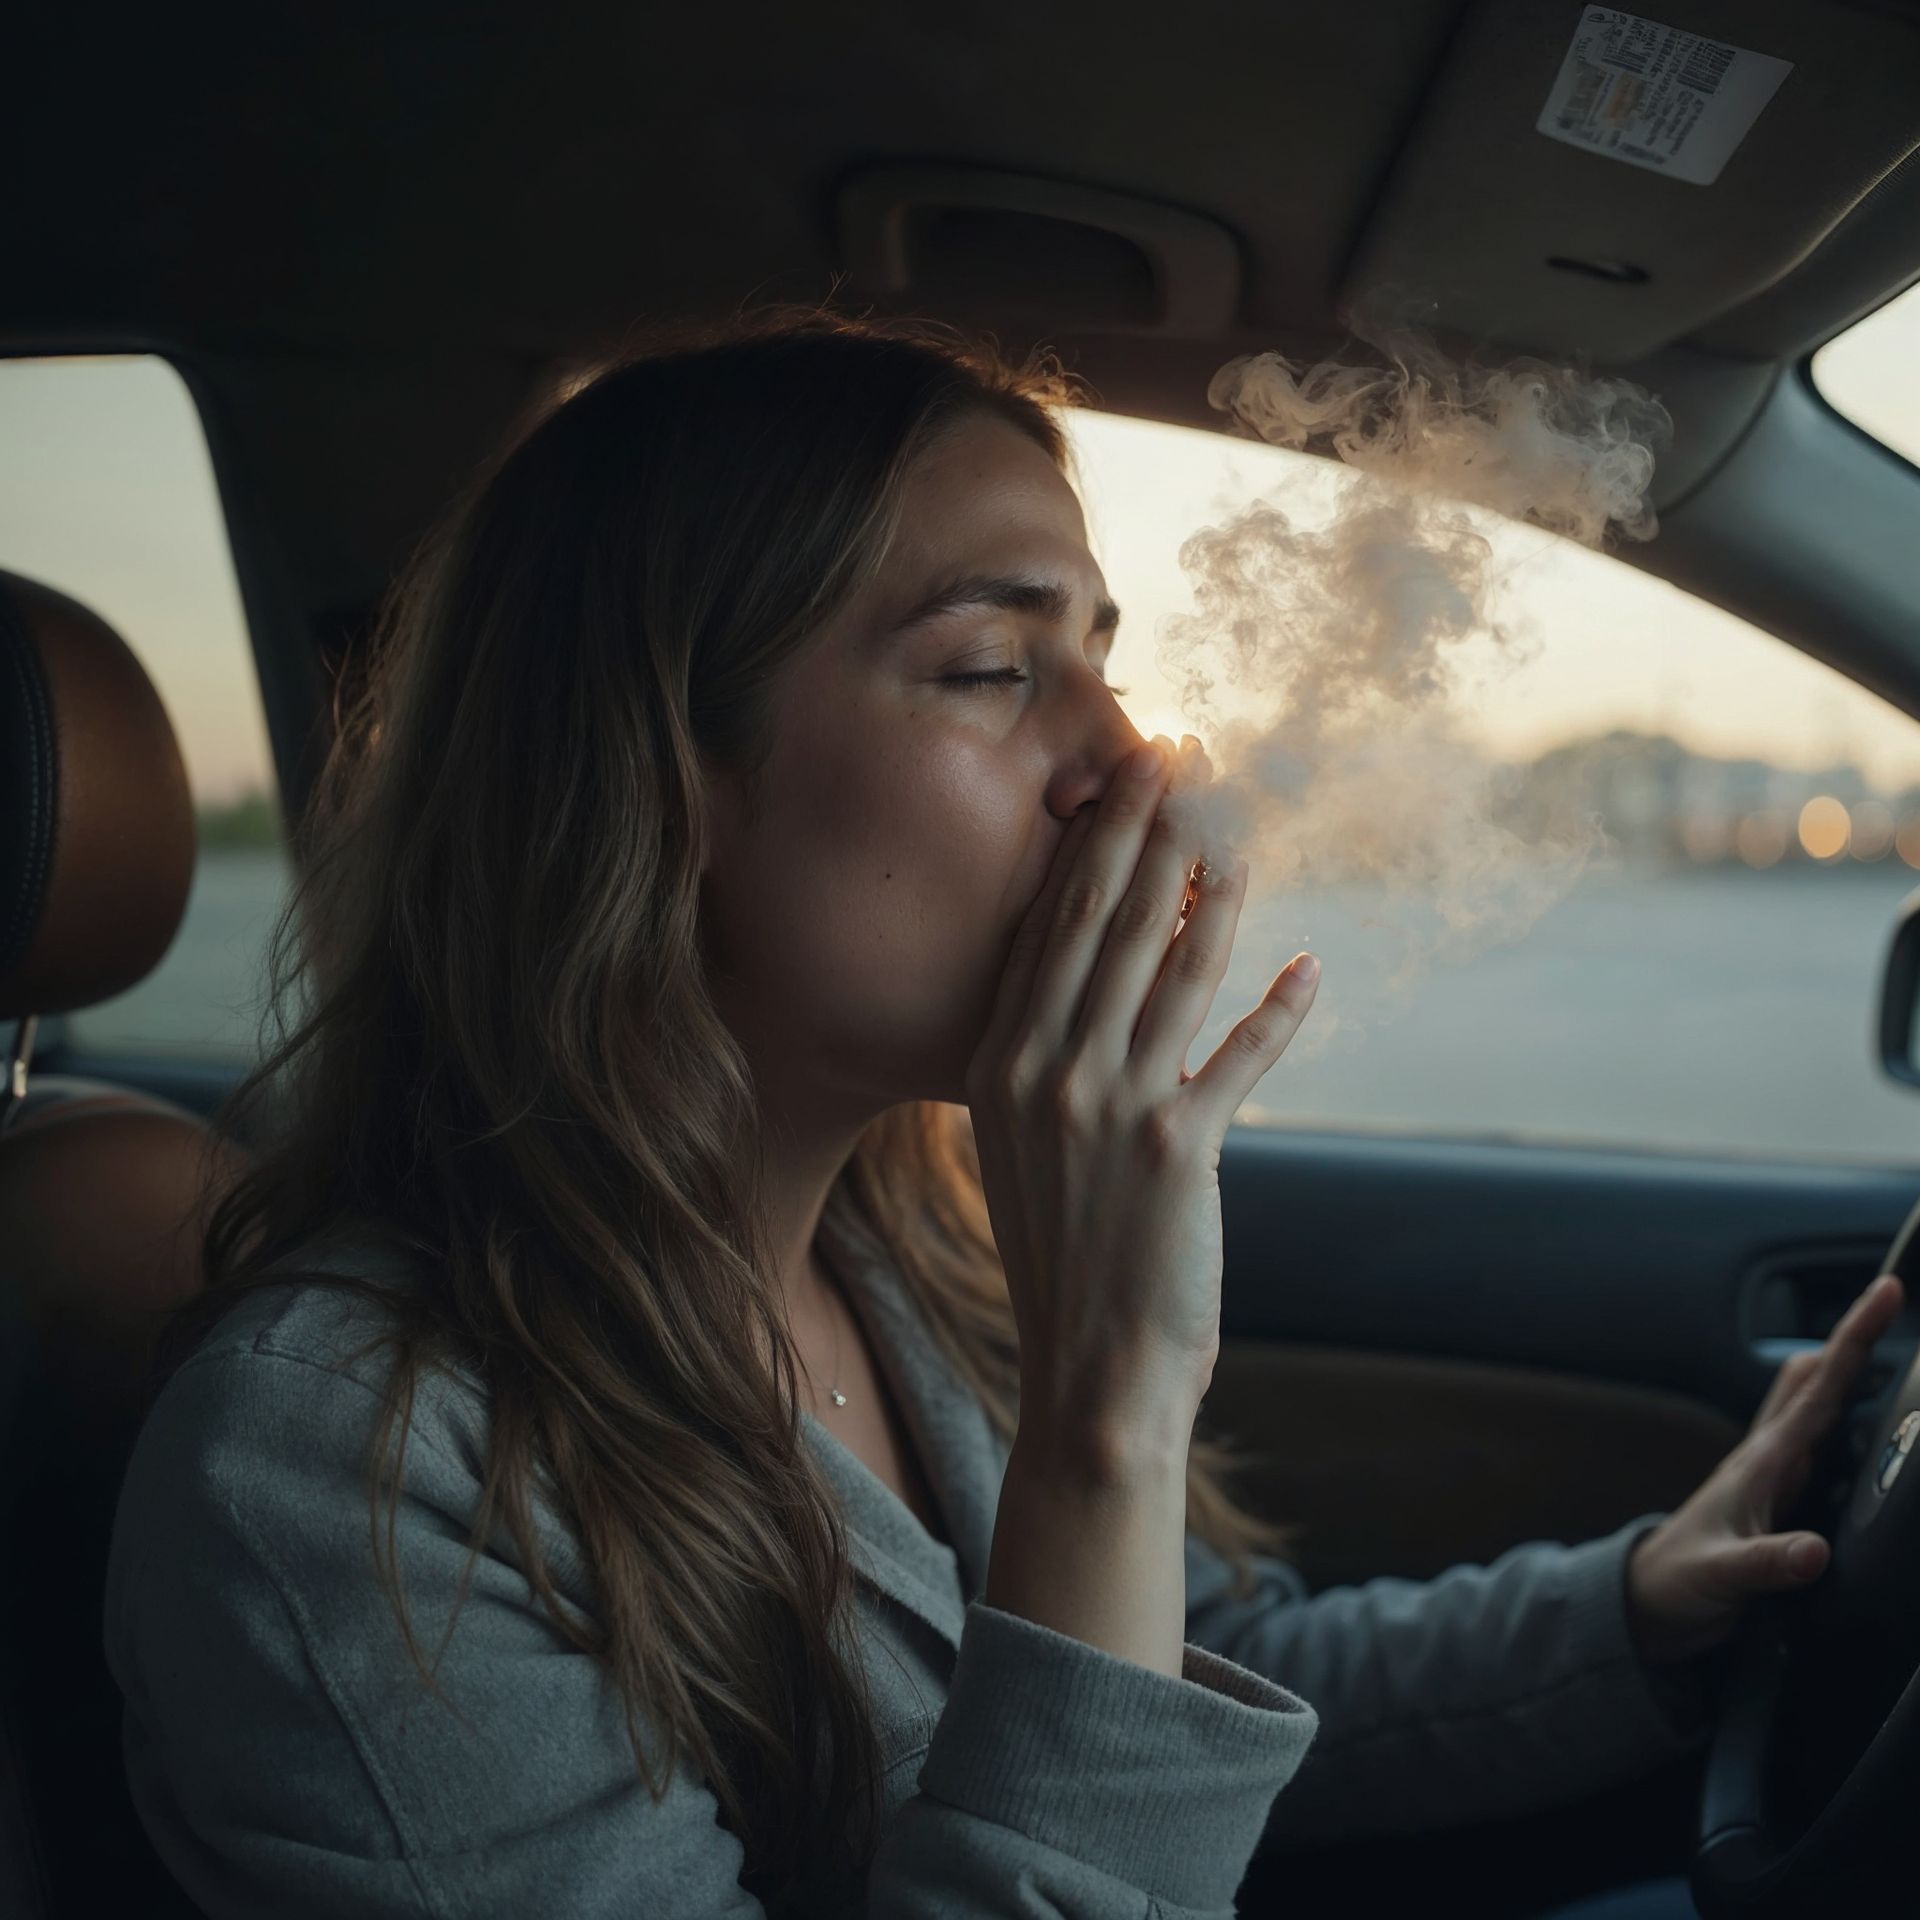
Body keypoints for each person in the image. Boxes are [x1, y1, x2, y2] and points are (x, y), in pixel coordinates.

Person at [103, 309, 1901, 1918]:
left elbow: (1165, 1692)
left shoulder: (892, 1238)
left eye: (1104, 659)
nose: (1133, 759)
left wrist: (1640, 1605)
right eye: (990, 668)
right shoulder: (343, 1475)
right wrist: (1107, 1417)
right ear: (652, 780)